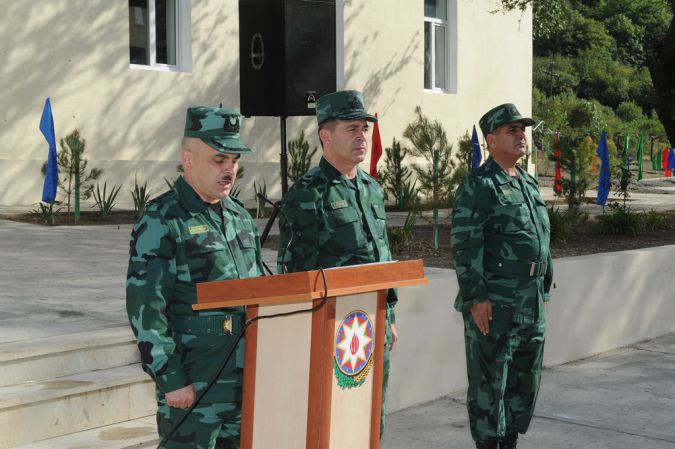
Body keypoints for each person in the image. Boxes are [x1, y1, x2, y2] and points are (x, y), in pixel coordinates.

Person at [126, 106, 263, 449]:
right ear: (188, 159)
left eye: (233, 160)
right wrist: (170, 378)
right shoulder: (162, 220)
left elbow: (259, 291)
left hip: (245, 381)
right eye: (218, 160)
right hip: (195, 383)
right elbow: (146, 309)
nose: (229, 169)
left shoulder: (240, 217)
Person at [277, 90, 397, 437]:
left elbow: (382, 258)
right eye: (352, 129)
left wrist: (389, 316)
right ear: (326, 136)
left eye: (364, 128)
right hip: (331, 330)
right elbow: (298, 273)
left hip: (370, 324)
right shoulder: (308, 195)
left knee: (372, 414)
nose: (362, 136)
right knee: (331, 420)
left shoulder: (371, 189)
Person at [450, 103, 553, 449]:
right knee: (490, 382)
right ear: (492, 140)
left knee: (524, 382)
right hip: (496, 303)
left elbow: (540, 237)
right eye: (512, 130)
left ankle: (509, 441)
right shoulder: (480, 186)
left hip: (530, 300)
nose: (521, 135)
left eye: (522, 129)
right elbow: (465, 245)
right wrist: (476, 297)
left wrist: (545, 288)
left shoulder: (526, 181)